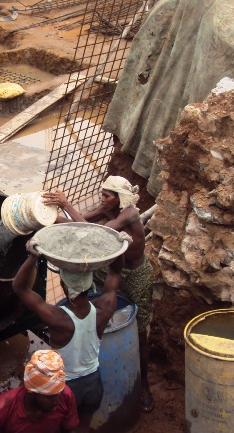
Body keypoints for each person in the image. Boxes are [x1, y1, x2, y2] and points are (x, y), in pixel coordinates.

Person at [12, 200, 124, 433]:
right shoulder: (104, 308)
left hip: (66, 387)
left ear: (63, 284)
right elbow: (115, 272)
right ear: (89, 284)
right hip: (94, 383)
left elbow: (20, 288)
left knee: (62, 427)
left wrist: (32, 257)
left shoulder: (58, 318)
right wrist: (121, 246)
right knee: (82, 426)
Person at [44, 176, 154, 413]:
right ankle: (81, 335)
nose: (102, 199)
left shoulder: (130, 214)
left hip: (135, 276)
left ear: (119, 198)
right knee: (78, 285)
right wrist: (45, 217)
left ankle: (143, 383)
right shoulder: (108, 209)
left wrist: (66, 204)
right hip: (112, 269)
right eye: (101, 194)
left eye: (106, 195)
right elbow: (77, 225)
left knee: (141, 330)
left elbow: (94, 235)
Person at [0, 350, 79, 433]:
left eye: (59, 394)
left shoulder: (66, 395)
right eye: (50, 397)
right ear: (30, 393)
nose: (57, 401)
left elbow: (70, 428)